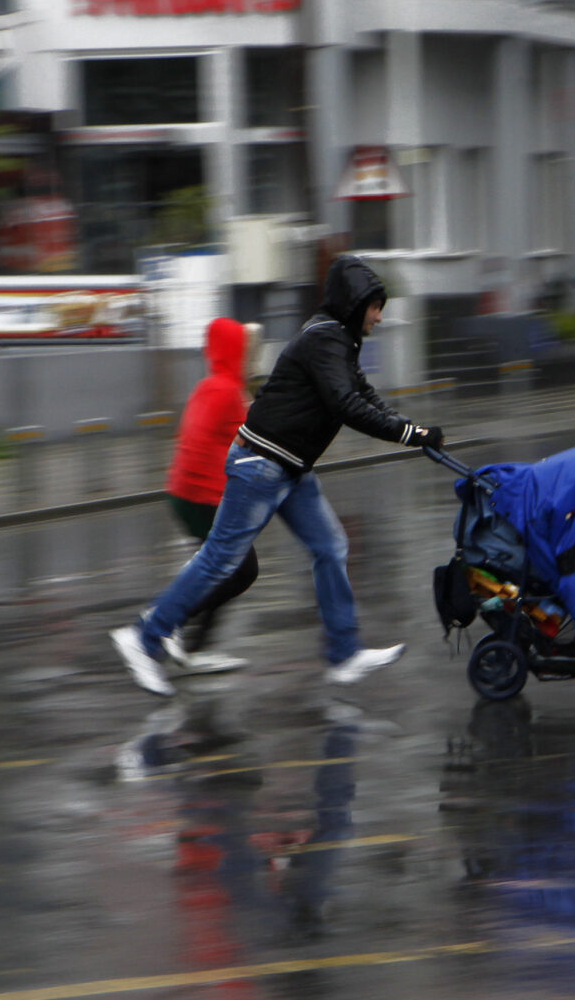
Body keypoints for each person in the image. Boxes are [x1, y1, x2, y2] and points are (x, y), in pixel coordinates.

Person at [112, 255, 441, 696]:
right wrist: (408, 434)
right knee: (221, 560)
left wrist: (416, 432)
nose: (380, 316)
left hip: (288, 467)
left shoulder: (338, 341)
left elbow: (364, 395)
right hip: (260, 465)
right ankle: (143, 637)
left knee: (330, 545)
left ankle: (344, 655)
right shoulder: (326, 340)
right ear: (354, 303)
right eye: (375, 306)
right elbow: (347, 404)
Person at [159, 316, 260, 676]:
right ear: (235, 352)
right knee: (242, 569)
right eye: (244, 350)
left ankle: (192, 644)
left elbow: (198, 440)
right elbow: (249, 440)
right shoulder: (229, 392)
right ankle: (172, 624)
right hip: (204, 499)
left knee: (220, 570)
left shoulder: (208, 386)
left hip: (183, 496)